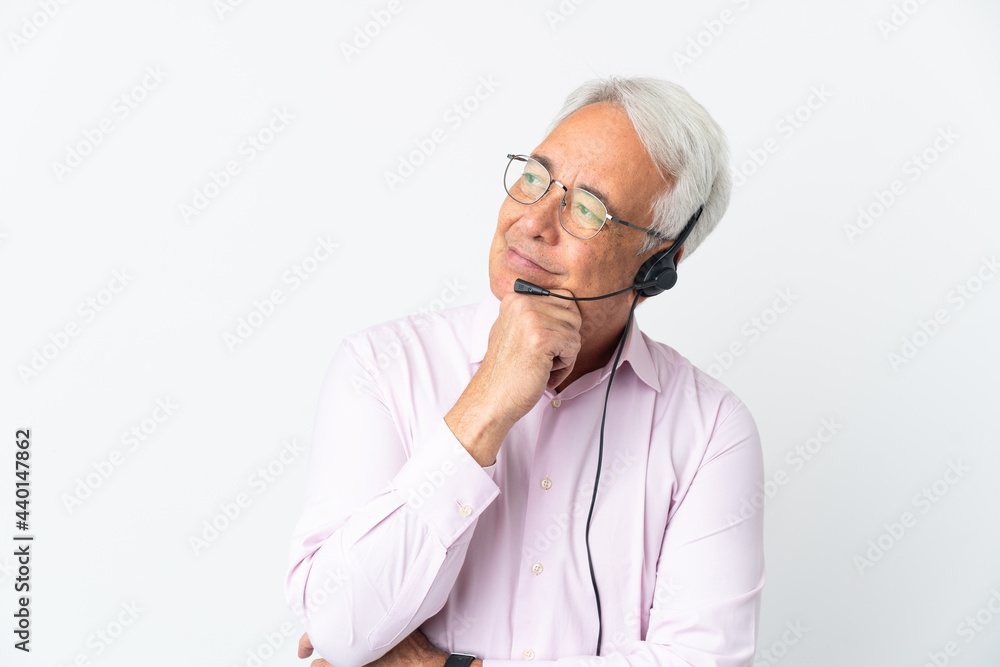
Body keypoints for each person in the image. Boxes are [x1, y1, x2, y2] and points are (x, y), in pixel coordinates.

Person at [284, 76, 765, 667]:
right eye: (535, 178)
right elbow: (340, 628)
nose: (533, 222)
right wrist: (485, 406)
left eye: (589, 208)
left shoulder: (711, 428)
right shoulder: (381, 367)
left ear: (657, 265)